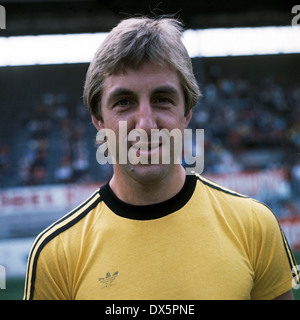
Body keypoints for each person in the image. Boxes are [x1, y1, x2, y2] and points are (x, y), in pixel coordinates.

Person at [24, 16, 298, 300]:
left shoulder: (255, 226)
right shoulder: (55, 253)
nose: (146, 124)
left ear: (186, 114)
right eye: (124, 102)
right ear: (99, 121)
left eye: (162, 99)